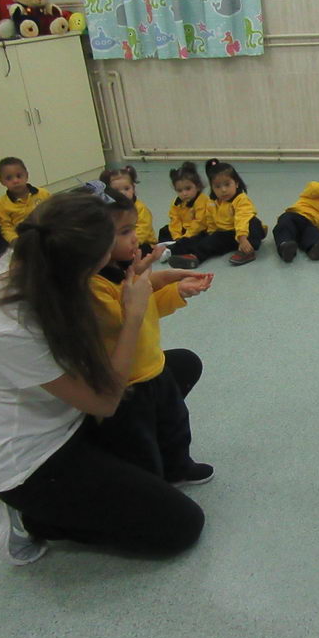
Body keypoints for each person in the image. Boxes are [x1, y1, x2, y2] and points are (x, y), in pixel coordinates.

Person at [0, 190, 205, 565]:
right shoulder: (8, 328)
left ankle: (125, 476)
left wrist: (155, 280)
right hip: (39, 458)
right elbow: (105, 402)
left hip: (77, 410)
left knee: (177, 367)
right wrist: (133, 312)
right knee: (180, 526)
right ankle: (37, 520)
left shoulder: (39, 253)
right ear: (78, 269)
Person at [88, 182, 214, 482]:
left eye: (133, 229)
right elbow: (126, 319)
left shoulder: (120, 271)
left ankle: (178, 465)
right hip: (128, 384)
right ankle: (152, 485)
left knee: (175, 423)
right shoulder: (92, 285)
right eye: (124, 232)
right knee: (140, 442)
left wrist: (174, 289)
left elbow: (144, 312)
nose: (135, 238)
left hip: (152, 367)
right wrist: (147, 280)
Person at [202, 158, 267, 266]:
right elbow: (210, 219)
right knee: (212, 239)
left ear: (236, 183)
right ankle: (193, 255)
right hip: (229, 232)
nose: (223, 190)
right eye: (218, 186)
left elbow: (242, 218)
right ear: (212, 188)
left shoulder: (241, 199)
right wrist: (211, 232)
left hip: (243, 230)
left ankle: (247, 250)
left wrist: (242, 238)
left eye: (227, 184)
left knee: (252, 222)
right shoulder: (212, 202)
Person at [271, 175, 319, 262]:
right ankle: (284, 245)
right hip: (295, 214)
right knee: (284, 225)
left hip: (312, 224)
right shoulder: (315, 191)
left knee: (313, 234)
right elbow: (313, 187)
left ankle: (314, 248)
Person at [158, 161, 212, 269]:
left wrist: (185, 236)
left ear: (197, 186)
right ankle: (171, 245)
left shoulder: (202, 200)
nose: (184, 193)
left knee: (196, 241)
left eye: (188, 189)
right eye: (179, 190)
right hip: (183, 230)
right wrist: (177, 236)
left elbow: (200, 222)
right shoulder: (177, 202)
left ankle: (173, 250)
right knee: (163, 230)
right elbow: (174, 219)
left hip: (198, 231)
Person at [101, 165, 157, 255]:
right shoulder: (112, 208)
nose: (123, 193)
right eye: (116, 190)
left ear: (133, 188)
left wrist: (129, 243)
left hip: (143, 242)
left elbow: (143, 230)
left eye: (127, 189)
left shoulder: (140, 208)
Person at [0, 157, 50, 244]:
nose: (15, 181)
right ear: (1, 181)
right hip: (23, 239)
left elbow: (54, 212)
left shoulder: (43, 193)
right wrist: (14, 240)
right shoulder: (1, 204)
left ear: (27, 175)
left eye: (19, 176)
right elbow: (6, 227)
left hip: (46, 231)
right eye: (9, 178)